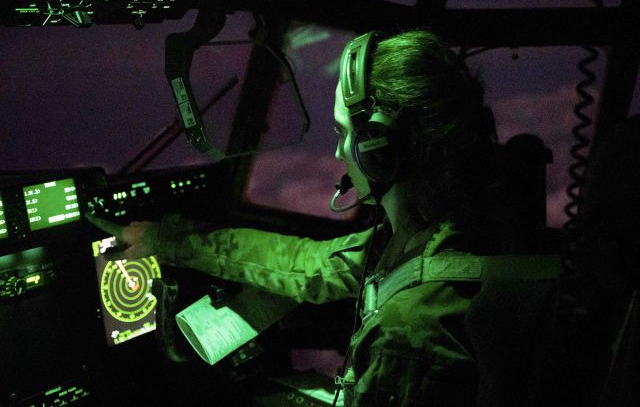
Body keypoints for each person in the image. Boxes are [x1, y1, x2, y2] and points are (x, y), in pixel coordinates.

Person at [88, 29, 500, 406]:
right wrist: (168, 241)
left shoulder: (409, 328)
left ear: (381, 148)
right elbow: (310, 265)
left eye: (342, 133)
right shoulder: (433, 238)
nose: (339, 153)